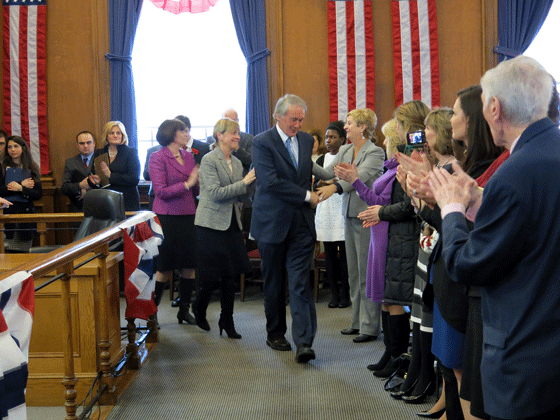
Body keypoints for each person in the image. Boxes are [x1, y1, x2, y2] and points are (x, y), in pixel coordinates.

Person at [428, 56, 560, 420]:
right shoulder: (548, 152)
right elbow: (535, 225)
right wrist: (478, 201)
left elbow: (466, 265)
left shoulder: (514, 172)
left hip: (524, 353)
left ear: (494, 107)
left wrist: (452, 208)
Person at [250, 94, 321, 363]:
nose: (297, 125)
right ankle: (276, 333)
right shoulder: (262, 142)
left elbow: (307, 171)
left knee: (301, 282)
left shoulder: (305, 140)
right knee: (275, 281)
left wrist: (337, 180)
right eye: (293, 119)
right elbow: (269, 182)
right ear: (278, 116)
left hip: (301, 224)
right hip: (271, 223)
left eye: (301, 120)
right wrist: (306, 196)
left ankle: (304, 342)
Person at [315, 108, 385, 344]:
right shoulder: (345, 149)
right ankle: (356, 322)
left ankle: (370, 326)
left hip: (366, 216)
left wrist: (334, 187)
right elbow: (328, 172)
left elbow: (358, 178)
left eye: (350, 123)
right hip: (348, 215)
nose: (345, 127)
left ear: (363, 127)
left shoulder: (375, 152)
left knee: (367, 273)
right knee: (353, 273)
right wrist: (306, 160)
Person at [193, 118, 255, 338]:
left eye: (238, 133)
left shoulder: (237, 163)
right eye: (234, 133)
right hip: (210, 226)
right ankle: (198, 309)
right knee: (210, 276)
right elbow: (217, 194)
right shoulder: (209, 160)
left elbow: (239, 195)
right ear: (220, 135)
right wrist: (245, 182)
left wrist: (251, 184)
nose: (238, 137)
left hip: (231, 225)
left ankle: (227, 320)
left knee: (230, 275)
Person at [149, 119, 199, 325]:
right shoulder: (157, 157)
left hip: (188, 215)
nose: (187, 134)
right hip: (167, 217)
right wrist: (187, 184)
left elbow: (195, 187)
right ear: (172, 134)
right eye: (183, 131)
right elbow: (160, 191)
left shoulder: (188, 156)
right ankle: (152, 314)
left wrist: (198, 185)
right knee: (165, 268)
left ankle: (184, 310)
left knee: (190, 265)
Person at [314, 121, 350, 309]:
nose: (328, 140)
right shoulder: (321, 159)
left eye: (332, 137)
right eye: (327, 137)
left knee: (344, 255)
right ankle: (333, 295)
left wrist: (331, 182)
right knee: (328, 254)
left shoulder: (347, 157)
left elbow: (347, 182)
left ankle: (345, 294)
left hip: (341, 208)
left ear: (342, 140)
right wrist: (329, 182)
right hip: (326, 209)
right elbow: (315, 185)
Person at [0, 136, 43, 252]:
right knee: (7, 253)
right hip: (7, 216)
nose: (12, 150)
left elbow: (38, 194)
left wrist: (21, 188)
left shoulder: (32, 167)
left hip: (25, 217)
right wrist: (20, 184)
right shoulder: (2, 167)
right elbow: (0, 191)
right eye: (9, 147)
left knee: (23, 254)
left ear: (23, 148)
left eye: (16, 146)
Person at [94, 121, 141, 211]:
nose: (115, 136)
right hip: (105, 201)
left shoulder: (130, 152)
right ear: (106, 136)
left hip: (126, 201)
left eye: (118, 133)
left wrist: (110, 175)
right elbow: (97, 177)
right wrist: (94, 181)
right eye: (111, 133)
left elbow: (134, 179)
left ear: (122, 135)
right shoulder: (99, 153)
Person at [61, 131, 99, 211]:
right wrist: (80, 186)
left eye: (88, 143)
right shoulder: (70, 162)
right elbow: (64, 188)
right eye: (82, 143)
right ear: (77, 145)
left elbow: (107, 184)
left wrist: (88, 189)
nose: (85, 146)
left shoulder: (101, 159)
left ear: (94, 144)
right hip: (78, 208)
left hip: (100, 207)